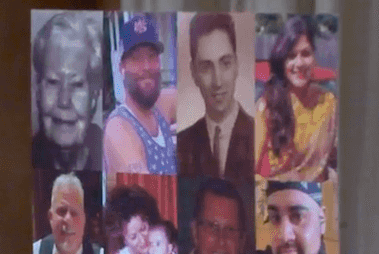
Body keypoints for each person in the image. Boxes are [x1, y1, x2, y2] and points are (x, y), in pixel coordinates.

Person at [255, 15, 337, 182]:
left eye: (305, 54)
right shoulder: (268, 105)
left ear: (314, 58)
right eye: (291, 56)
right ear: (282, 62)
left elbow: (333, 158)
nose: (299, 63)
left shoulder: (328, 101)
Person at [176, 13, 255, 182]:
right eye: (206, 67)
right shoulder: (181, 145)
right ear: (194, 73)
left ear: (236, 66)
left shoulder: (259, 135)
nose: (217, 81)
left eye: (225, 63)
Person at [104, 14, 178, 175]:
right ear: (122, 67)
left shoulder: (161, 107)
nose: (146, 66)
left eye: (152, 56)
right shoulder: (118, 127)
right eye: (136, 58)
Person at [31, 12, 104, 172]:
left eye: (77, 84)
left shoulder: (110, 152)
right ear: (38, 90)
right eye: (52, 82)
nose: (63, 101)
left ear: (94, 96)